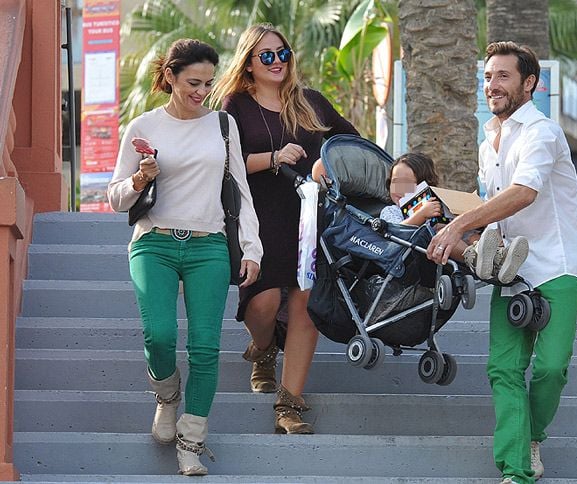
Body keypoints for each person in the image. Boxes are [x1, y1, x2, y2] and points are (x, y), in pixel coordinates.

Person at [427, 41, 577, 484]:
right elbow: (494, 205)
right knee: (503, 367)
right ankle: (517, 471)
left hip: (558, 265)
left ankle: (531, 435)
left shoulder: (543, 132)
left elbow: (524, 192)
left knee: (553, 367)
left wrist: (458, 227)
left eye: (502, 76)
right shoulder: (489, 143)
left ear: (529, 83)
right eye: (487, 76)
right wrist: (469, 234)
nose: (492, 85)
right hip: (510, 270)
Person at [107, 38, 262, 476]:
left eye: (208, 83)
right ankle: (167, 396)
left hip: (208, 244)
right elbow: (116, 198)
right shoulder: (144, 125)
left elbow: (240, 192)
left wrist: (252, 247)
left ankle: (191, 441)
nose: (201, 91)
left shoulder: (224, 126)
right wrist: (140, 178)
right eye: (193, 82)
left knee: (206, 348)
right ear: (170, 76)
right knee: (158, 336)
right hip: (153, 241)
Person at [210, 23, 359, 434]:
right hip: (259, 218)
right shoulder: (235, 105)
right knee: (262, 302)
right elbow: (223, 162)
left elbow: (353, 144)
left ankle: (288, 404)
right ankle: (262, 350)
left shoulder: (311, 102)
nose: (278, 61)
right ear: (249, 64)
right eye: (267, 56)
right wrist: (273, 157)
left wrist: (329, 164)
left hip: (312, 220)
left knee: (305, 303)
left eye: (283, 53)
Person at [381, 152, 529, 284]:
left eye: (407, 184)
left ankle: (497, 256)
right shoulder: (390, 211)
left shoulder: (433, 205)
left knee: (466, 233)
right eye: (395, 182)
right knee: (441, 230)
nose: (400, 189)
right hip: (414, 258)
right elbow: (395, 230)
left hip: (446, 250)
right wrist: (421, 215)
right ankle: (476, 259)